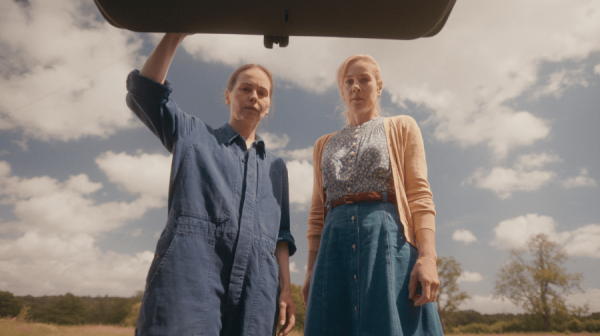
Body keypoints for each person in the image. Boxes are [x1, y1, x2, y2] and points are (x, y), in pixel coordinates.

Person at [125, 33, 296, 336]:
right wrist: (175, 33)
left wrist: (286, 290)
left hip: (259, 287)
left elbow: (282, 236)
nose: (254, 96)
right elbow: (145, 92)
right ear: (228, 95)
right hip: (191, 271)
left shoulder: (276, 167)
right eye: (245, 88)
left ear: (268, 106)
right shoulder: (193, 134)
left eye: (262, 92)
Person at [301, 55, 443, 336]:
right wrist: (310, 270)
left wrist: (427, 257)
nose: (356, 87)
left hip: (387, 240)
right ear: (342, 91)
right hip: (333, 247)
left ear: (379, 86)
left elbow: (419, 196)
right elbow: (318, 214)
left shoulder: (402, 126)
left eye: (364, 79)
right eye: (349, 82)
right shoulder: (323, 145)